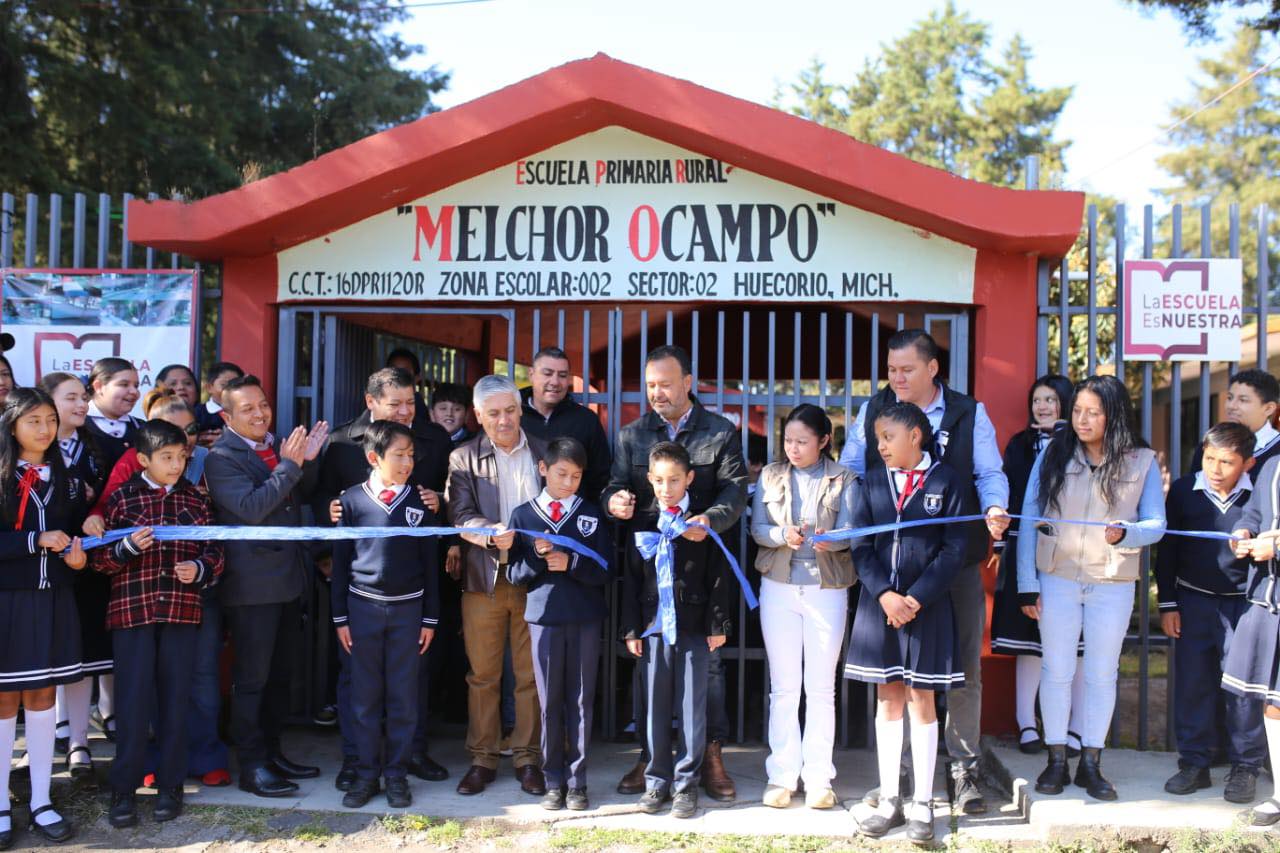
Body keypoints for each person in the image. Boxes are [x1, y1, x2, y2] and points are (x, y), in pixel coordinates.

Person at [837, 329, 1009, 813]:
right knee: (893, 675)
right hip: (888, 572)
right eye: (891, 370)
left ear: (933, 368)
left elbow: (988, 473)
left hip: (950, 567)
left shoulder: (967, 412)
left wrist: (995, 509)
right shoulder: (875, 410)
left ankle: (963, 769)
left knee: (961, 669)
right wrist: (849, 520)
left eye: (906, 370)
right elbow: (851, 469)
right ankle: (904, 777)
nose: (897, 379)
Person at [602, 344, 747, 802]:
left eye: (665, 384)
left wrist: (712, 519)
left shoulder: (721, 431)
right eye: (650, 385)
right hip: (649, 568)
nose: (656, 393)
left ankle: (710, 752)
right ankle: (651, 758)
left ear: (688, 382)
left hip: (700, 566)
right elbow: (614, 483)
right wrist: (615, 501)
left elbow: (736, 490)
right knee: (651, 670)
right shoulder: (632, 435)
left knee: (709, 668)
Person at [1017, 374, 1166, 801]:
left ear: (1113, 414)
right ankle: (1056, 759)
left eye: (1092, 412)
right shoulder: (1052, 453)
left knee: (1102, 674)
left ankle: (1092, 764)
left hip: (1113, 581)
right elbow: (1029, 517)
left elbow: (1156, 524)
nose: (1081, 419)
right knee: (1057, 670)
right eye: (1077, 410)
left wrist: (1128, 533)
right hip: (1058, 577)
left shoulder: (1140, 461)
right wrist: (1029, 585)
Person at [314, 367, 452, 790]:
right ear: (371, 402)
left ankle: (408, 757)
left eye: (411, 402)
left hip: (411, 587)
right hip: (359, 587)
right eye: (396, 404)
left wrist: (440, 501)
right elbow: (320, 497)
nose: (406, 411)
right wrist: (330, 517)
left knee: (410, 682)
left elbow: (449, 496)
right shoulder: (341, 443)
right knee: (358, 683)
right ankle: (358, 763)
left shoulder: (434, 438)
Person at [846, 403, 967, 844]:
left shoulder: (947, 481)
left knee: (923, 699)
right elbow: (860, 544)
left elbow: (954, 549)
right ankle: (891, 800)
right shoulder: (872, 482)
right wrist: (885, 595)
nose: (879, 446)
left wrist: (914, 598)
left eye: (887, 437)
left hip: (926, 608)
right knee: (888, 698)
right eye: (877, 438)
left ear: (916, 436)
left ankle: (922, 803)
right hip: (881, 606)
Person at [94, 420, 224, 827]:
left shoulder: (197, 501)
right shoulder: (122, 500)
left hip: (181, 614)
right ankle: (124, 789)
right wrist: (127, 547)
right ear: (143, 459)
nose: (176, 464)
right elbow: (100, 561)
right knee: (132, 704)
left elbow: (216, 552)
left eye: (182, 457)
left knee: (174, 701)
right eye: (166, 457)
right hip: (133, 614)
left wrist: (200, 568)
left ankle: (171, 785)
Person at [205, 375, 328, 798]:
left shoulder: (277, 445)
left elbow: (299, 496)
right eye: (248, 410)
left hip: (290, 578)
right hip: (251, 585)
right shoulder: (221, 457)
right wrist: (290, 465)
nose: (260, 414)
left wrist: (304, 463)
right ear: (226, 416)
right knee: (252, 678)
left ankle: (274, 753)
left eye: (263, 405)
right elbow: (251, 508)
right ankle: (252, 765)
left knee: (280, 676)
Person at [330, 420, 440, 810]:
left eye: (411, 455)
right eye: (399, 455)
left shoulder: (420, 503)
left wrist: (430, 619)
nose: (408, 462)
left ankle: (396, 774)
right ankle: (364, 774)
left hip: (409, 612)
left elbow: (431, 564)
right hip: (362, 610)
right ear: (374, 457)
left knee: (403, 697)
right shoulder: (352, 501)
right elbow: (341, 564)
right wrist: (340, 618)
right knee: (364, 698)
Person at [751, 405, 856, 810]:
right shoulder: (770, 475)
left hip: (827, 588)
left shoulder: (844, 478)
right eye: (788, 441)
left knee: (821, 688)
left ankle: (818, 778)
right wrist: (781, 533)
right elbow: (757, 528)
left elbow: (853, 531)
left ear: (824, 441)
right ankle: (781, 776)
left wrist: (835, 539)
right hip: (778, 586)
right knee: (783, 687)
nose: (792, 448)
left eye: (802, 441)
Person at [446, 374, 547, 797]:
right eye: (493, 414)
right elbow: (459, 513)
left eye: (509, 411)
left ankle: (527, 759)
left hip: (536, 578)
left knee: (529, 676)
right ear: (478, 416)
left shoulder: (544, 450)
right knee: (483, 675)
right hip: (484, 576)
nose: (503, 421)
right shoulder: (462, 458)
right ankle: (483, 758)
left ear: (520, 409)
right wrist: (488, 532)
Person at [622, 441, 732, 820]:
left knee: (691, 708)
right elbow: (631, 580)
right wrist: (631, 628)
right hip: (653, 628)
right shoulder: (641, 522)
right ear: (649, 480)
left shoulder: (702, 522)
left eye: (674, 480)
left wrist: (718, 623)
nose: (666, 488)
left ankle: (686, 784)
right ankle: (656, 781)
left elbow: (719, 576)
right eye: (659, 481)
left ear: (689, 478)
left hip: (694, 627)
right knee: (653, 707)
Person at [0, 388, 89, 846]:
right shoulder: (0, 475)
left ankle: (40, 800)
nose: (45, 428)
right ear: (11, 424)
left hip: (53, 598)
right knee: (3, 703)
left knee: (42, 697)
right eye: (33, 419)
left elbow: (73, 534)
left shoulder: (68, 478)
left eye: (50, 420)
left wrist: (77, 556)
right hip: (7, 601)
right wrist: (33, 541)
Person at [1157, 423, 1263, 802]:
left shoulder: (1259, 496)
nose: (1216, 469)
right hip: (1194, 601)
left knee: (1243, 688)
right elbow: (1167, 552)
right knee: (1194, 684)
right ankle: (1194, 764)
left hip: (1246, 606)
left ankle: (1245, 767)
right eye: (1210, 458)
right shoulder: (1185, 490)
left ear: (1248, 464)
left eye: (1227, 462)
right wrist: (1167, 603)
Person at [506, 437, 610, 811]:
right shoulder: (523, 516)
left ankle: (577, 781)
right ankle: (553, 780)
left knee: (580, 700)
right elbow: (515, 575)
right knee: (549, 702)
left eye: (576, 476)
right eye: (561, 473)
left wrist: (573, 564)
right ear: (543, 469)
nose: (568, 482)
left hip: (584, 617)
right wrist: (535, 556)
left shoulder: (591, 513)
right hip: (544, 618)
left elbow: (605, 570)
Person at [989, 374, 1087, 755]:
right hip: (1025, 548)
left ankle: (1077, 728)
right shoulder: (1020, 444)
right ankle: (1027, 723)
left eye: (1050, 400)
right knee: (1028, 642)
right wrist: (1000, 543)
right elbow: (1009, 493)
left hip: (1071, 552)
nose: (1042, 407)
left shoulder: (1080, 444)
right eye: (1037, 400)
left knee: (1076, 645)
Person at [38, 372, 107, 775]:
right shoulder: (24, 453)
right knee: (40, 660)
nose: (81, 405)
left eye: (83, 397)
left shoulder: (97, 447)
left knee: (83, 657)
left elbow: (112, 497)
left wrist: (96, 511)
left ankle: (78, 742)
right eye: (71, 398)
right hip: (38, 569)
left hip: (89, 568)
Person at [77, 356, 145, 744]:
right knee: (80, 636)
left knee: (114, 635)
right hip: (80, 547)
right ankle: (71, 729)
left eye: (136, 384)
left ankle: (112, 713)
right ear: (97, 386)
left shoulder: (140, 431)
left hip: (128, 550)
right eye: (123, 384)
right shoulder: (76, 428)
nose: (132, 391)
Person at [1223, 448, 1280, 825]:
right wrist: (1242, 532)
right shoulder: (1273, 464)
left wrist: (1276, 545)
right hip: (1268, 598)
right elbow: (1255, 514)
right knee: (1273, 702)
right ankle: (1279, 795)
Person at [519, 347, 612, 501]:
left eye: (562, 375)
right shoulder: (514, 416)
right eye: (547, 373)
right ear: (531, 375)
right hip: (522, 518)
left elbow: (600, 478)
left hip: (573, 518)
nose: (555, 382)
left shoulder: (586, 420)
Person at [1191, 369, 1280, 473]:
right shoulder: (1209, 447)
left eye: (1243, 400)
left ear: (1268, 408)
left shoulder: (1276, 449)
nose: (1231, 406)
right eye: (1229, 398)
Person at [195, 361, 244, 445]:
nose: (230, 389)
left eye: (236, 385)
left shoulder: (244, 413)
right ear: (209, 387)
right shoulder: (197, 412)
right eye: (224, 385)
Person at [386, 348, 433, 431]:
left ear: (417, 378)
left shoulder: (419, 409)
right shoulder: (381, 402)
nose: (398, 376)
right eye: (394, 371)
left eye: (404, 372)